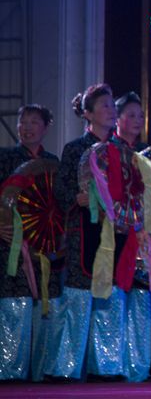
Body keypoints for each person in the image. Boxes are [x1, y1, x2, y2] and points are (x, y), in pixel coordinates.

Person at [46, 84, 117, 382]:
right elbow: (61, 190)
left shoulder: (121, 149)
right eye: (104, 105)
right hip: (82, 230)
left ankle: (107, 367)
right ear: (87, 113)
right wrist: (77, 198)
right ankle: (67, 367)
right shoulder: (75, 149)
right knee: (79, 293)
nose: (111, 110)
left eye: (112, 105)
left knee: (110, 294)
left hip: (115, 231)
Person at [82, 91, 151, 382]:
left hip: (144, 236)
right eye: (130, 115)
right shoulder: (106, 152)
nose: (137, 120)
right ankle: (108, 366)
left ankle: (138, 367)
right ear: (119, 120)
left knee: (141, 297)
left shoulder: (147, 154)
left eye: (140, 115)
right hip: (115, 233)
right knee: (112, 294)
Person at [0, 105, 59, 381]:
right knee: (15, 303)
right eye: (22, 122)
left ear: (46, 127)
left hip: (45, 247)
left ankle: (42, 371)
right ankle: (9, 372)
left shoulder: (52, 162)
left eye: (34, 122)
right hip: (11, 244)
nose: (26, 127)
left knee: (45, 307)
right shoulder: (5, 158)